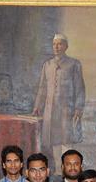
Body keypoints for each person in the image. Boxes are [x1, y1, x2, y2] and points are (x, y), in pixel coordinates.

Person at [32, 32, 86, 162]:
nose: (56, 47)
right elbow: (42, 88)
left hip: (67, 110)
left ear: (66, 46)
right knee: (54, 140)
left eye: (60, 44)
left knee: (67, 139)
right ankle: (57, 171)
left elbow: (80, 88)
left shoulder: (74, 64)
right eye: (54, 44)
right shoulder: (47, 65)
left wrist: (79, 109)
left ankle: (69, 167)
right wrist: (37, 106)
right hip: (50, 110)